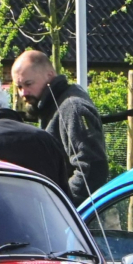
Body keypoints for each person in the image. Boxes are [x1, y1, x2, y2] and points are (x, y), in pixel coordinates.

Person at [11, 50, 110, 203]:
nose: (24, 92)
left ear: (49, 75)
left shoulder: (72, 107)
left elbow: (92, 168)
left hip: (84, 218)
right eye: (19, 87)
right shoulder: (50, 108)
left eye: (28, 84)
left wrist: (60, 206)